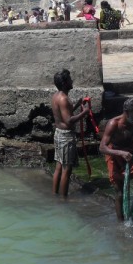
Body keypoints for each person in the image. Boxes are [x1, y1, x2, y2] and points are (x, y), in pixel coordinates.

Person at [51, 69, 90, 197]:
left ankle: (55, 194)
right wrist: (85, 112)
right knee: (67, 169)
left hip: (58, 133)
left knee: (59, 166)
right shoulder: (64, 99)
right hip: (66, 136)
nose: (72, 81)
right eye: (69, 79)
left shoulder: (56, 96)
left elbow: (64, 114)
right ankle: (63, 199)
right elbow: (68, 120)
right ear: (65, 83)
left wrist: (78, 104)